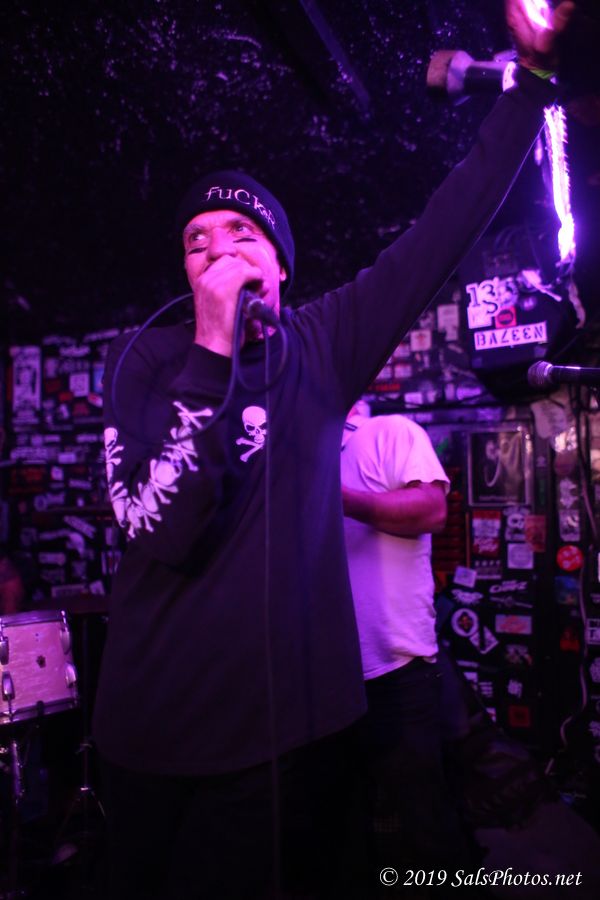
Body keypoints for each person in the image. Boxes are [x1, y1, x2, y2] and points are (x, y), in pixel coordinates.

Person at [92, 4, 573, 897]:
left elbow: (442, 230)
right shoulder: (148, 360)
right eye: (196, 244)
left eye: (242, 236)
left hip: (293, 738)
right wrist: (211, 351)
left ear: (280, 268)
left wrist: (532, 82)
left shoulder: (321, 344)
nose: (216, 253)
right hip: (153, 739)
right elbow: (162, 528)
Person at [341, 405, 471, 876]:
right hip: (327, 677)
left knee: (424, 827)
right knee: (340, 830)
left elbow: (431, 510)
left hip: (396, 671)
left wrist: (336, 497)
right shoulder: (299, 454)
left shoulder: (388, 431)